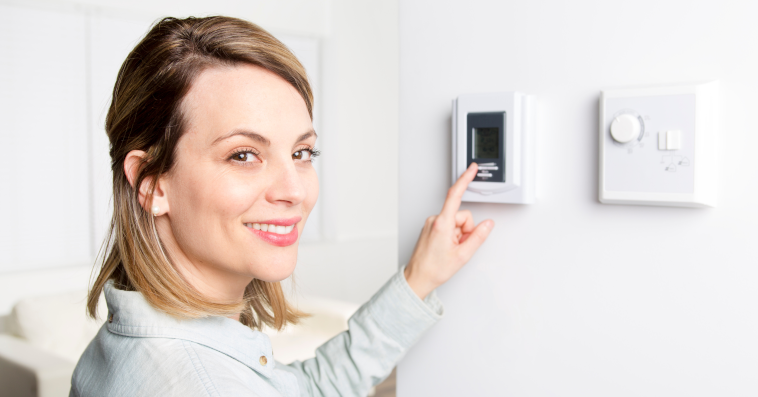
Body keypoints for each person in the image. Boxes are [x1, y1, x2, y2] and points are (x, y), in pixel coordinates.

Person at [70, 16, 493, 397]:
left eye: (302, 152)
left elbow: (305, 389)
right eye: (243, 155)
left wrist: (419, 279)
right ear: (151, 183)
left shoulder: (134, 339)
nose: (294, 191)